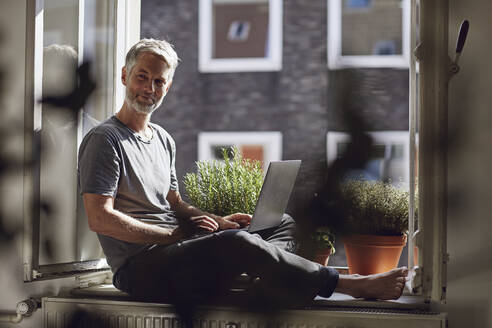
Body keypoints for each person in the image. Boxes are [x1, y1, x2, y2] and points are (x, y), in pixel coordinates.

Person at [78, 38, 408, 309]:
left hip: (179, 253)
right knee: (239, 243)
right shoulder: (105, 139)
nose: (149, 87)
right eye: (142, 76)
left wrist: (215, 221)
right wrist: (172, 236)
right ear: (124, 76)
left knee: (282, 223)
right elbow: (100, 218)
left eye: (159, 81)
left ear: (168, 86)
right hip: (140, 268)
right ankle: (348, 283)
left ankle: (261, 268)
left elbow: (174, 201)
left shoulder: (163, 139)